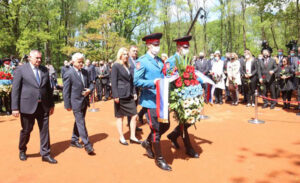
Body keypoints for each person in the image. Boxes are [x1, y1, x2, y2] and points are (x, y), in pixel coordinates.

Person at [134, 33, 172, 171]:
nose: (157, 47)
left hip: (161, 100)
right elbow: (136, 81)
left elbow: (164, 77)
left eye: (158, 44)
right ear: (148, 45)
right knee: (156, 129)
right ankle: (159, 159)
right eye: (155, 45)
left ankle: (147, 142)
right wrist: (153, 82)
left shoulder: (159, 61)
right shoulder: (142, 61)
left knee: (166, 126)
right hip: (150, 101)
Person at [11, 50, 57, 164]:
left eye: (40, 58)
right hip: (27, 106)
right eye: (37, 58)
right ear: (30, 58)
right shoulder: (21, 70)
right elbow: (15, 89)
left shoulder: (44, 70)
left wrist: (51, 104)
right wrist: (14, 107)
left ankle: (45, 154)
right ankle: (22, 150)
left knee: (44, 131)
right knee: (27, 130)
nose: (39, 60)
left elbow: (48, 89)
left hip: (44, 106)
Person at [166, 35, 199, 158]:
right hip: (176, 96)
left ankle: (173, 136)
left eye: (188, 47)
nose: (187, 49)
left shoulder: (188, 59)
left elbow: (192, 74)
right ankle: (188, 148)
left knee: (191, 119)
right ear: (178, 47)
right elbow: (169, 79)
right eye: (185, 47)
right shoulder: (171, 61)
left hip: (189, 94)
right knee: (183, 121)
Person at [63, 53, 95, 155]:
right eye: (79, 62)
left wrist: (89, 90)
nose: (81, 63)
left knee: (79, 121)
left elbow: (91, 83)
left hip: (84, 101)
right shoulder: (68, 73)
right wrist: (67, 105)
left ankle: (74, 139)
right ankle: (87, 145)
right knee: (81, 122)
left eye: (82, 61)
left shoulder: (85, 72)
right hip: (75, 102)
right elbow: (66, 90)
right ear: (73, 62)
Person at [111, 47, 140, 145]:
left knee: (134, 115)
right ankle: (121, 137)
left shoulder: (129, 66)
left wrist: (134, 92)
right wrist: (115, 95)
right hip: (120, 95)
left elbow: (131, 81)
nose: (126, 56)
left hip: (129, 94)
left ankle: (132, 136)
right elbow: (113, 82)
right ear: (120, 55)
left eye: (127, 54)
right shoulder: (116, 65)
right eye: (124, 54)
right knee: (120, 117)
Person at [127, 45, 144, 130]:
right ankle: (131, 125)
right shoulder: (127, 61)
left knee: (135, 105)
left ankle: (133, 124)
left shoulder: (138, 61)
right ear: (129, 52)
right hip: (129, 87)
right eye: (133, 51)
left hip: (137, 87)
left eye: (136, 51)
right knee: (130, 107)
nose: (135, 52)